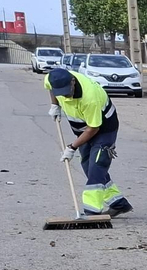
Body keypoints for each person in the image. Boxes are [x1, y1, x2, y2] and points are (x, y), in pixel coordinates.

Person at [46, 66, 132, 217]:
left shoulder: (89, 97)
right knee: (89, 167)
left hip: (104, 128)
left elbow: (93, 128)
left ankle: (92, 212)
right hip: (82, 130)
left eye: (67, 91)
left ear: (73, 82)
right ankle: (119, 204)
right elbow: (50, 88)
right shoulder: (51, 79)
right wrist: (55, 104)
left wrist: (72, 147)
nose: (65, 96)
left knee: (97, 165)